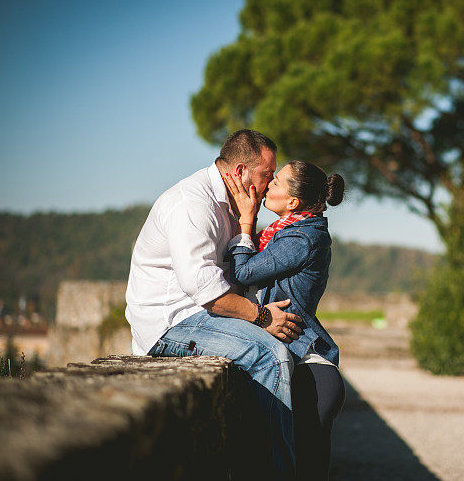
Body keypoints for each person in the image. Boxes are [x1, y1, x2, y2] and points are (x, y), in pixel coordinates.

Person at [125, 129, 303, 479]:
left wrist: (245, 224)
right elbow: (205, 289)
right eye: (267, 175)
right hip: (172, 323)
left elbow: (240, 277)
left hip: (201, 317)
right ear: (239, 172)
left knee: (284, 351)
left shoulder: (234, 205)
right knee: (270, 354)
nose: (270, 184)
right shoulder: (192, 203)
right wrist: (263, 316)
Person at [222, 160, 346, 481]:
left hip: (309, 373)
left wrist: (246, 222)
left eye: (276, 182)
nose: (268, 184)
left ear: (292, 203)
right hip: (302, 370)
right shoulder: (287, 233)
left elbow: (244, 271)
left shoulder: (302, 238)